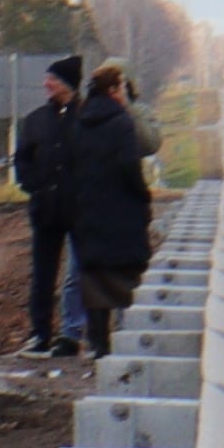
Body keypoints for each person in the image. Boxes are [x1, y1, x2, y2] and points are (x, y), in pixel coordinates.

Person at [60, 61, 158, 352]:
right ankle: (127, 344)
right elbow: (130, 165)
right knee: (125, 279)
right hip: (121, 214)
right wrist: (142, 197)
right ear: (114, 89)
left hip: (88, 214)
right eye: (122, 87)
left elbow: (70, 167)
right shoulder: (121, 122)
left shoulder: (79, 122)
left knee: (93, 281)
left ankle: (98, 345)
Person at [13, 60, 84, 362]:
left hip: (79, 208)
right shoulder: (36, 120)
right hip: (45, 208)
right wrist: (35, 186)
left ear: (67, 84)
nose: (46, 84)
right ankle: (40, 334)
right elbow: (22, 160)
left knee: (80, 274)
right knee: (42, 276)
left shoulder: (86, 117)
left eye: (52, 79)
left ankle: (74, 334)